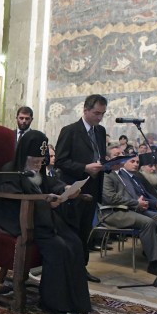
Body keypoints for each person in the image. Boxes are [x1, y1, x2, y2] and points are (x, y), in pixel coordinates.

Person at [0, 130, 91, 314]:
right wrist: (45, 201)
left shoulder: (38, 171)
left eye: (40, 160)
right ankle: (54, 304)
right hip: (18, 219)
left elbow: (52, 184)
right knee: (58, 246)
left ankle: (77, 302)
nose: (37, 163)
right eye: (33, 159)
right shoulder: (9, 170)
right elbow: (12, 198)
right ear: (23, 153)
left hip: (42, 219)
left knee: (74, 242)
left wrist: (66, 189)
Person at [101, 147, 157, 279]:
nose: (122, 156)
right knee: (148, 222)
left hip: (130, 209)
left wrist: (140, 203)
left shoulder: (122, 174)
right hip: (114, 212)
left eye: (122, 153)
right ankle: (154, 264)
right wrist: (136, 203)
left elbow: (135, 194)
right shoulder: (106, 174)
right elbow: (110, 198)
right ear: (108, 158)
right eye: (117, 154)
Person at [55, 94, 108, 283]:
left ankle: (82, 268)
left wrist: (109, 165)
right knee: (73, 231)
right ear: (85, 110)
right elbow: (60, 161)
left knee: (86, 230)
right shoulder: (70, 131)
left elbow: (99, 157)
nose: (99, 118)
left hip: (93, 188)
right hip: (75, 189)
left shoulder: (100, 131)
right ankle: (69, 269)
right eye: (96, 113)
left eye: (102, 114)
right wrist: (84, 167)